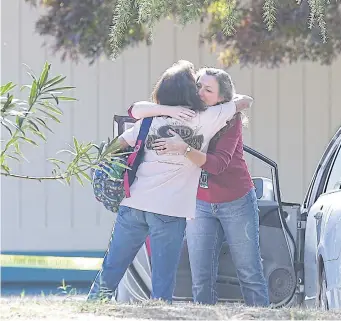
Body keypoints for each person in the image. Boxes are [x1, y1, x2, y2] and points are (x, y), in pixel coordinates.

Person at [87, 61, 253, 303]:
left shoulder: (149, 120)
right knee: (162, 282)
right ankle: (158, 314)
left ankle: (91, 308)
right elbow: (244, 102)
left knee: (111, 269)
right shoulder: (206, 118)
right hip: (169, 211)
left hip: (134, 204)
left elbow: (119, 142)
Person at [130, 67, 269, 306]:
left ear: (222, 99)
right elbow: (135, 111)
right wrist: (167, 110)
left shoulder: (229, 121)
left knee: (249, 273)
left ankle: (261, 314)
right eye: (198, 86)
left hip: (235, 201)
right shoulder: (185, 113)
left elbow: (217, 165)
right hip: (200, 203)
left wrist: (182, 148)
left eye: (208, 89)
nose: (201, 93)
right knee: (201, 278)